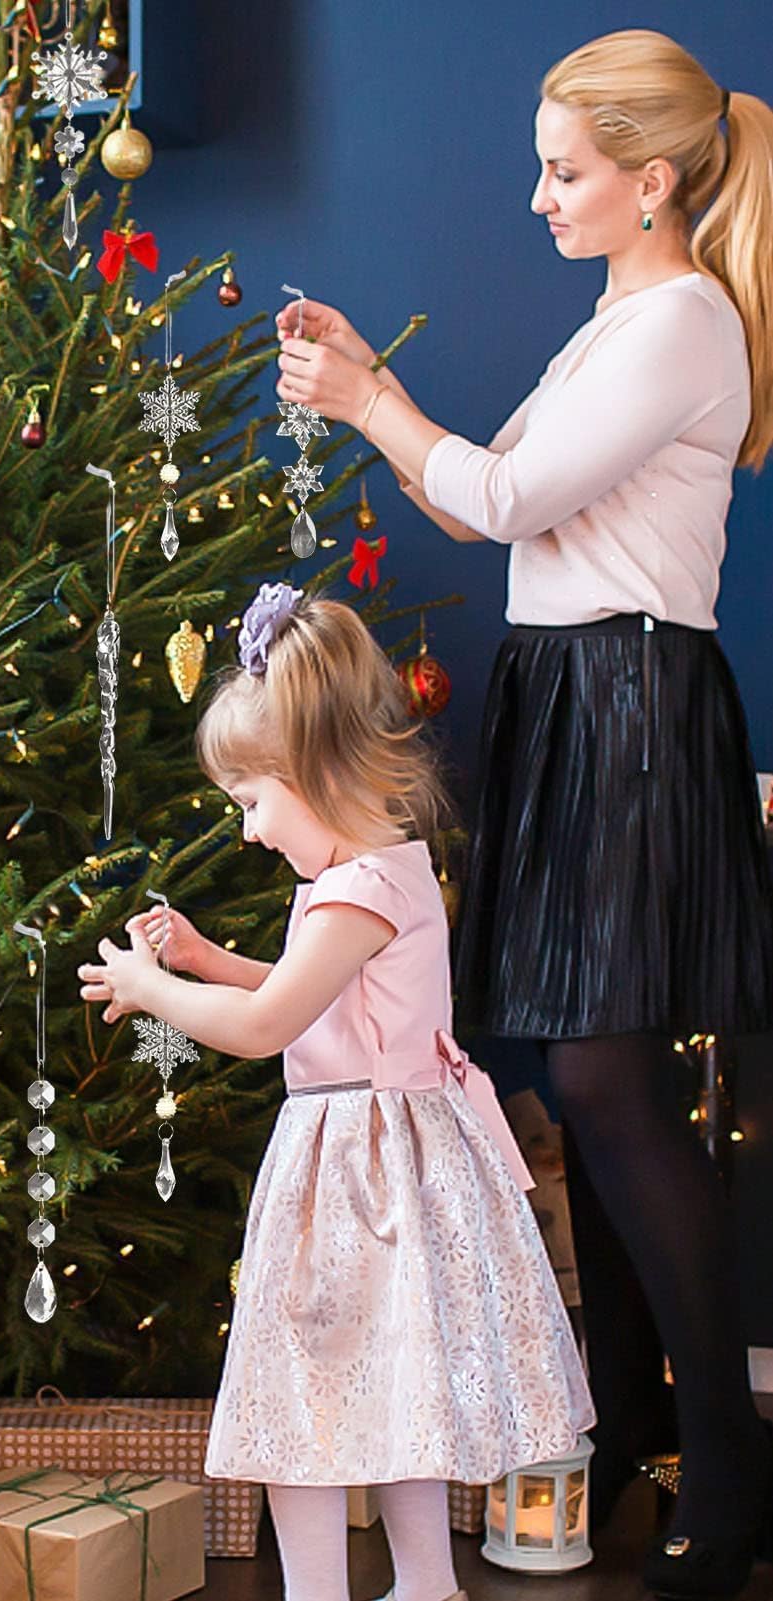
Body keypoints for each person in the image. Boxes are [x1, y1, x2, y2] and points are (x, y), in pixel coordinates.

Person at [271, 29, 773, 1598]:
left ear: (652, 180)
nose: (539, 195)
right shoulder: (622, 315)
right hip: (578, 694)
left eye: (564, 171)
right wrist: (388, 401)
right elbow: (491, 487)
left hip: (626, 702)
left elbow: (496, 502)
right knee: (581, 1073)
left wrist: (368, 399)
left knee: (608, 1078)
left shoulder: (678, 320)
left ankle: (735, 1465)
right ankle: (628, 1416)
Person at [79, 588, 593, 1601]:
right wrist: (203, 954)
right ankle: (420, 1585)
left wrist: (153, 989)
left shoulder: (357, 890)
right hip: (368, 1155)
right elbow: (297, 995)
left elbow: (269, 1026)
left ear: (309, 770)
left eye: (252, 802)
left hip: (358, 1173)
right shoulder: (366, 877)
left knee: (299, 1401)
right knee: (390, 1396)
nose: (249, 831)